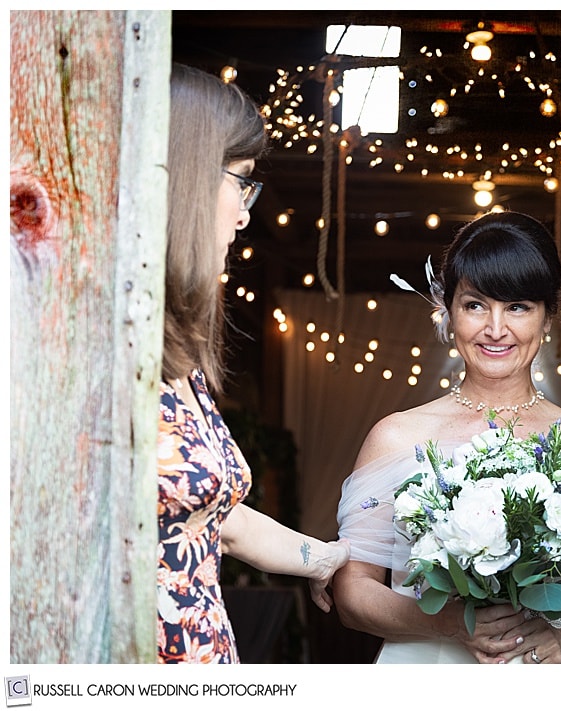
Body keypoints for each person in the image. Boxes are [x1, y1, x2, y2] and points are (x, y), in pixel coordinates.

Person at [333, 211, 561, 664]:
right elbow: (352, 588)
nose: (495, 329)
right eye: (475, 304)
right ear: (450, 312)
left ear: (548, 318)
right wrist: (444, 622)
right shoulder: (397, 436)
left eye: (518, 306)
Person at [157, 63, 350, 664]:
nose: (245, 214)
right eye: (240, 183)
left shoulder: (177, 358)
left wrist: (323, 559)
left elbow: (215, 516)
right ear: (186, 179)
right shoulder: (89, 349)